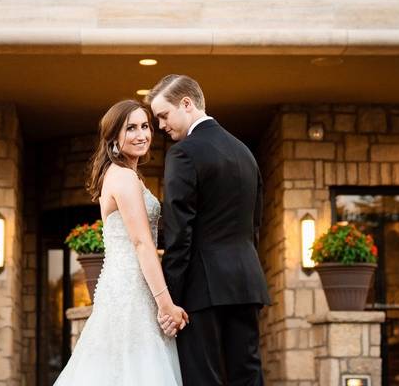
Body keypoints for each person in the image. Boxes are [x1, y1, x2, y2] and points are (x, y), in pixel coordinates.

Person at [147, 75, 271, 386]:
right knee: (248, 375)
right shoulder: (245, 152)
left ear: (186, 104)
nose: (161, 126)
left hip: (203, 288)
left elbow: (179, 232)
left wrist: (170, 300)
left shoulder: (184, 153)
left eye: (163, 115)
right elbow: (254, 224)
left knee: (204, 379)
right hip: (246, 283)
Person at [54, 99, 187, 386]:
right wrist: (166, 305)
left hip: (128, 285)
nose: (142, 135)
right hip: (131, 291)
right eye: (131, 128)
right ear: (114, 136)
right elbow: (141, 243)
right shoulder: (124, 177)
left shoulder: (123, 175)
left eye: (145, 126)